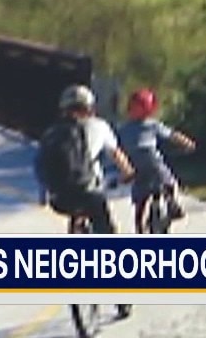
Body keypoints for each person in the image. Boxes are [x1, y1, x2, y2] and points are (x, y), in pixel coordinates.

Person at [35, 84, 136, 235]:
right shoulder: (100, 126)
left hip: (58, 199)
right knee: (105, 227)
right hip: (88, 193)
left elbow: (42, 164)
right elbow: (116, 155)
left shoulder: (52, 132)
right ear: (90, 106)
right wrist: (128, 173)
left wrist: (44, 194)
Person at [117, 88, 197, 227]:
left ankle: (139, 224)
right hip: (151, 160)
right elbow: (172, 135)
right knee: (168, 181)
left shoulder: (123, 128)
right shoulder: (153, 124)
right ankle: (172, 204)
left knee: (139, 191)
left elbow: (116, 147)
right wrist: (188, 144)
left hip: (133, 165)